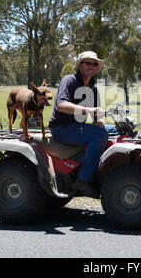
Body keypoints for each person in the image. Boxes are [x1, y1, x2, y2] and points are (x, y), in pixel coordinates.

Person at [48, 51, 116, 198]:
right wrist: (89, 110)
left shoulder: (93, 87)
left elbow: (98, 115)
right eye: (88, 63)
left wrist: (100, 122)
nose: (91, 66)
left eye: (94, 64)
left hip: (78, 128)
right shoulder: (70, 80)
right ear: (79, 65)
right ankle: (83, 180)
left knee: (116, 131)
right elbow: (61, 105)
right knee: (100, 135)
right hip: (62, 128)